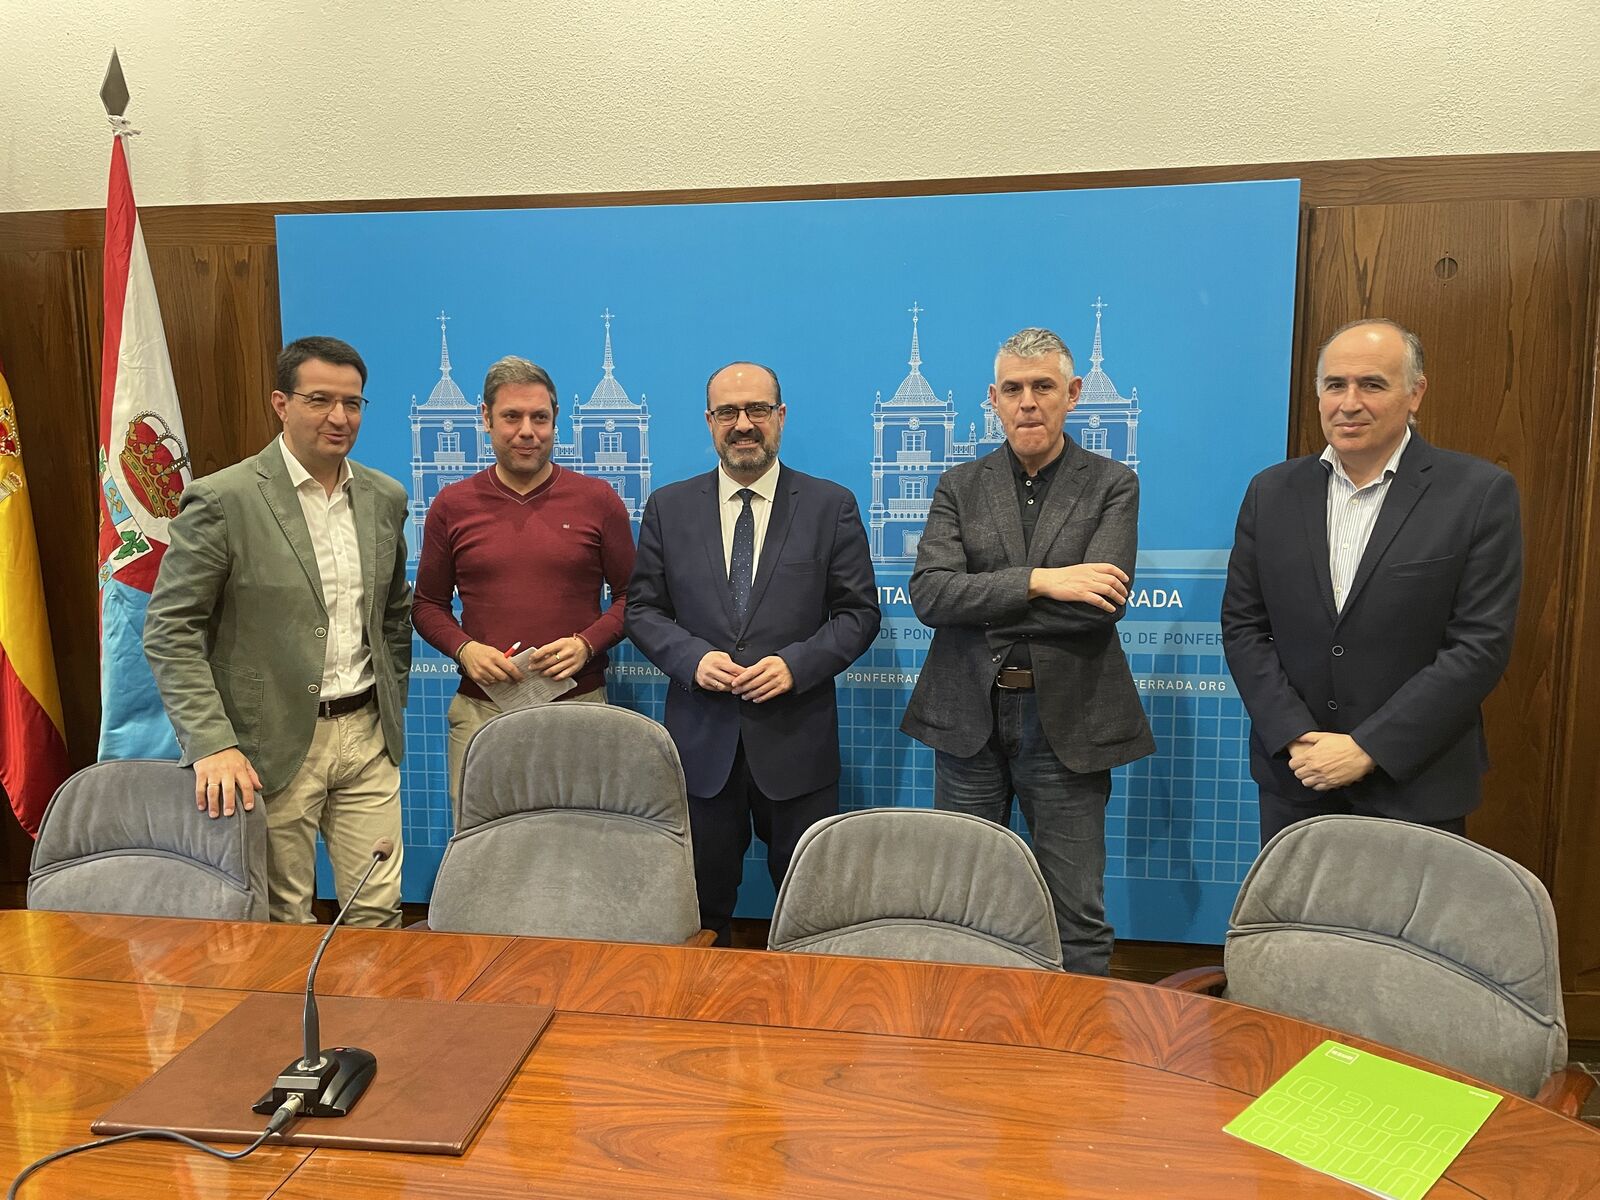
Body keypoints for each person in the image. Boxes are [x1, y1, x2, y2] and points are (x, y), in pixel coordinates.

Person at [901, 326, 1153, 976]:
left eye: (1043, 387)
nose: (1028, 402)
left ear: (1072, 394)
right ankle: (966, 1051)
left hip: (1065, 725)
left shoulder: (1111, 484)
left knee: (1077, 918)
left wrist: (982, 598)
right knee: (959, 905)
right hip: (968, 722)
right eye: (1013, 389)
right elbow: (930, 595)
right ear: (993, 398)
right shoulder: (960, 484)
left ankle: (1076, 1061)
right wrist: (1045, 581)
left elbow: (1098, 608)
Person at [1221, 318, 1522, 844]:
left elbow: (1479, 647)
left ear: (1415, 393)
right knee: (1297, 929)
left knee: (1401, 931)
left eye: (1372, 385)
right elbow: (1244, 627)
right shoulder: (1271, 492)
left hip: (1415, 784)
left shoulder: (1477, 494)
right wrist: (1296, 737)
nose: (1349, 402)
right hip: (1298, 780)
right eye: (1335, 385)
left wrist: (1366, 748)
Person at [146, 335, 412, 926]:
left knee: (378, 915)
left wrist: (389, 704)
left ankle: (376, 1021)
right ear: (280, 403)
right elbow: (169, 631)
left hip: (367, 738)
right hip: (268, 749)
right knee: (282, 921)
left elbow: (394, 616)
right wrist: (213, 741)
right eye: (319, 399)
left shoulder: (385, 497)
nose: (339, 417)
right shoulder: (223, 500)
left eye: (353, 403)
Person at [625, 361, 880, 944]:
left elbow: (859, 613)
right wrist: (690, 659)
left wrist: (797, 665)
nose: (744, 424)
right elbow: (641, 610)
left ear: (780, 417)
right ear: (709, 422)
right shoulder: (669, 507)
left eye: (757, 410)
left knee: (809, 910)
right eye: (728, 413)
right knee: (699, 908)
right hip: (701, 748)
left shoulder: (828, 505)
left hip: (797, 746)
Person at [413, 356, 635, 820]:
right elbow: (428, 605)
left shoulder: (599, 501)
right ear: (486, 419)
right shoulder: (452, 506)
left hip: (580, 706)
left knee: (580, 842)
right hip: (482, 712)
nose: (527, 431)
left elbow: (634, 598)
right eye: (512, 416)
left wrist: (586, 644)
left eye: (540, 417)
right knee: (483, 848)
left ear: (556, 422)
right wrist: (465, 650)